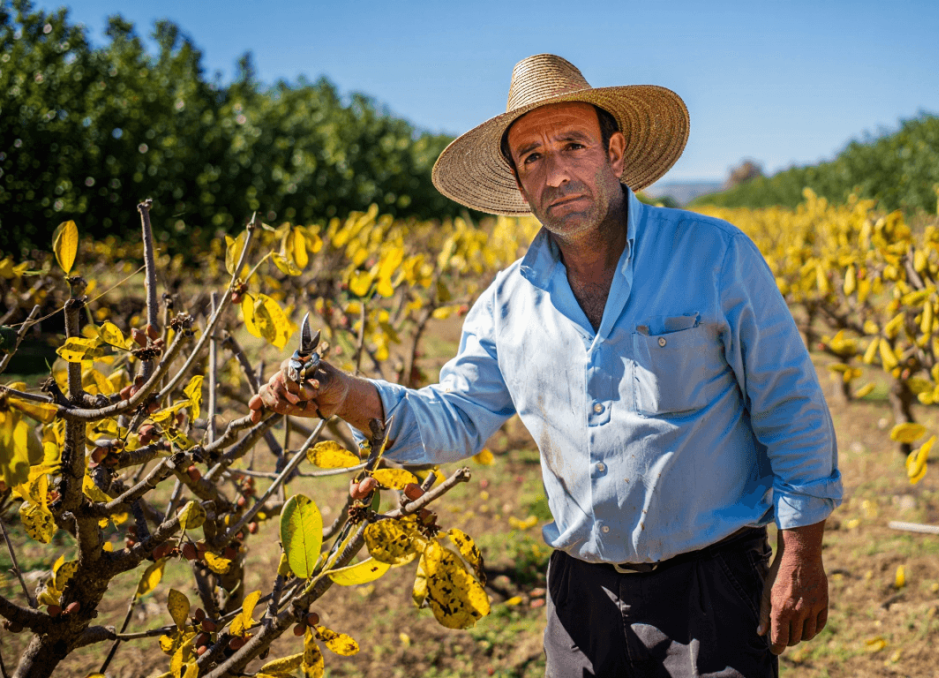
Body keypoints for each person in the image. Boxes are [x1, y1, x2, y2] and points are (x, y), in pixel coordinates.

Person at [249, 53, 842, 677]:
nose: (556, 174)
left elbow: (789, 403)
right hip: (580, 599)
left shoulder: (715, 255)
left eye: (572, 145)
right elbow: (456, 417)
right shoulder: (507, 304)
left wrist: (801, 553)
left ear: (614, 154)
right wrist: (346, 394)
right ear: (518, 181)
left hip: (713, 586)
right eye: (533, 156)